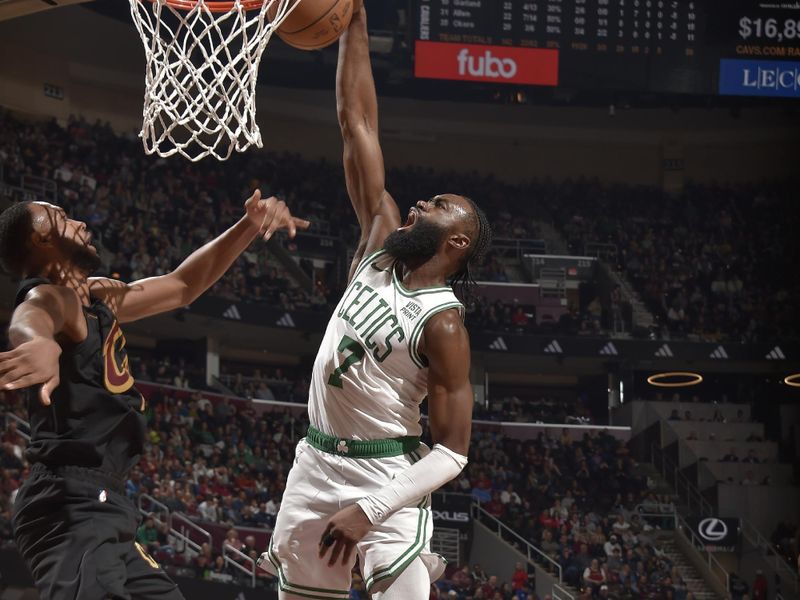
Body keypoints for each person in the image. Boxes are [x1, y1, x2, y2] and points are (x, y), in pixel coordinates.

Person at [259, 3, 491, 599]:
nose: (416, 205)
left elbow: (454, 452)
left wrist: (372, 508)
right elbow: (357, 123)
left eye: (435, 205)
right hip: (314, 465)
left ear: (457, 240)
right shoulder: (380, 241)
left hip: (386, 472)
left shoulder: (443, 324)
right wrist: (354, 20)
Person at [0, 192, 307, 600]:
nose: (79, 224)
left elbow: (182, 286)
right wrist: (36, 342)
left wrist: (248, 226)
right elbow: (32, 315)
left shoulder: (98, 297)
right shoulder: (56, 298)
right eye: (62, 218)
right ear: (41, 240)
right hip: (67, 502)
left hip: (105, 502)